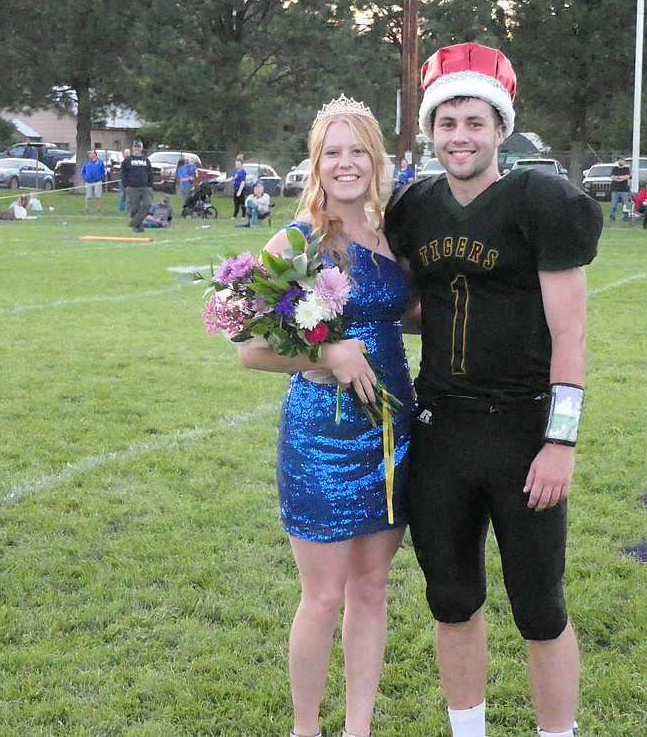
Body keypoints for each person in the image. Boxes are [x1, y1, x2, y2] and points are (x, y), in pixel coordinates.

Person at [386, 42, 601, 737]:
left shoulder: (540, 200)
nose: (460, 137)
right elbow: (419, 309)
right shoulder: (414, 206)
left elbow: (570, 333)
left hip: (520, 430)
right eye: (446, 123)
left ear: (502, 128)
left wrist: (560, 441)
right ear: (430, 130)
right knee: (451, 600)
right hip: (441, 427)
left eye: (474, 122)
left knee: (540, 607)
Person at [238, 94, 413, 737]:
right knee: (324, 596)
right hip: (322, 433)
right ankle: (305, 729)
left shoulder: (389, 232)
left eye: (357, 150)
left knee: (371, 589)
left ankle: (358, 728)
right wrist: (328, 352)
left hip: (392, 427)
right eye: (332, 152)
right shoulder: (298, 238)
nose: (346, 163)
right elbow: (250, 348)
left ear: (375, 157)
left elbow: (403, 314)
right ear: (317, 162)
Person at [122, 139, 154, 233]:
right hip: (132, 188)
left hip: (145, 187)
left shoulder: (145, 160)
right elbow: (123, 174)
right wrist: (126, 186)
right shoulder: (127, 160)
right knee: (134, 208)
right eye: (135, 147)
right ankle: (137, 227)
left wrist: (150, 185)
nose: (137, 148)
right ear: (133, 147)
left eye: (138, 147)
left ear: (141, 148)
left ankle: (133, 222)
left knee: (147, 205)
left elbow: (150, 173)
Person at [608, 157, 632, 222]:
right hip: (615, 190)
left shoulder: (626, 169)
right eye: (619, 160)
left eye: (621, 160)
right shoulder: (614, 169)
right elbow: (613, 177)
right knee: (613, 205)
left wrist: (618, 177)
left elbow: (627, 177)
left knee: (625, 205)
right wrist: (620, 178)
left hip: (624, 190)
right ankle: (612, 218)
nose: (620, 161)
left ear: (624, 162)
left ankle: (626, 218)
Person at [231, 156, 248, 223]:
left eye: (238, 164)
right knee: (236, 203)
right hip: (235, 189)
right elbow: (232, 178)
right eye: (236, 164)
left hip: (240, 189)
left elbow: (243, 182)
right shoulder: (236, 172)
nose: (237, 166)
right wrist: (222, 180)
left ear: (241, 165)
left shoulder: (243, 172)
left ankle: (243, 216)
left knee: (242, 203)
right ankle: (235, 215)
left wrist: (240, 191)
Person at [119, 147, 131, 213]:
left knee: (128, 196)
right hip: (123, 181)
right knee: (122, 195)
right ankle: (122, 209)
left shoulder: (129, 162)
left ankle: (127, 209)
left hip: (129, 181)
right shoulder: (124, 162)